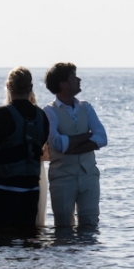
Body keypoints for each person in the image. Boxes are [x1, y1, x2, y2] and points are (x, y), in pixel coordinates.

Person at [0, 67, 50, 234]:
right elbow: (41, 145)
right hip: (30, 191)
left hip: (1, 191)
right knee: (26, 243)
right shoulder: (41, 116)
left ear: (8, 86)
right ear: (30, 87)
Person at [42, 62, 108, 230]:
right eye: (74, 77)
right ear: (63, 84)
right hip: (62, 178)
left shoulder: (86, 107)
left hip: (89, 176)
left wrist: (73, 145)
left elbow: (101, 137)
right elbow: (57, 143)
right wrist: (86, 137)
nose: (79, 80)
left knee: (90, 226)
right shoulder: (49, 111)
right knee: (63, 228)